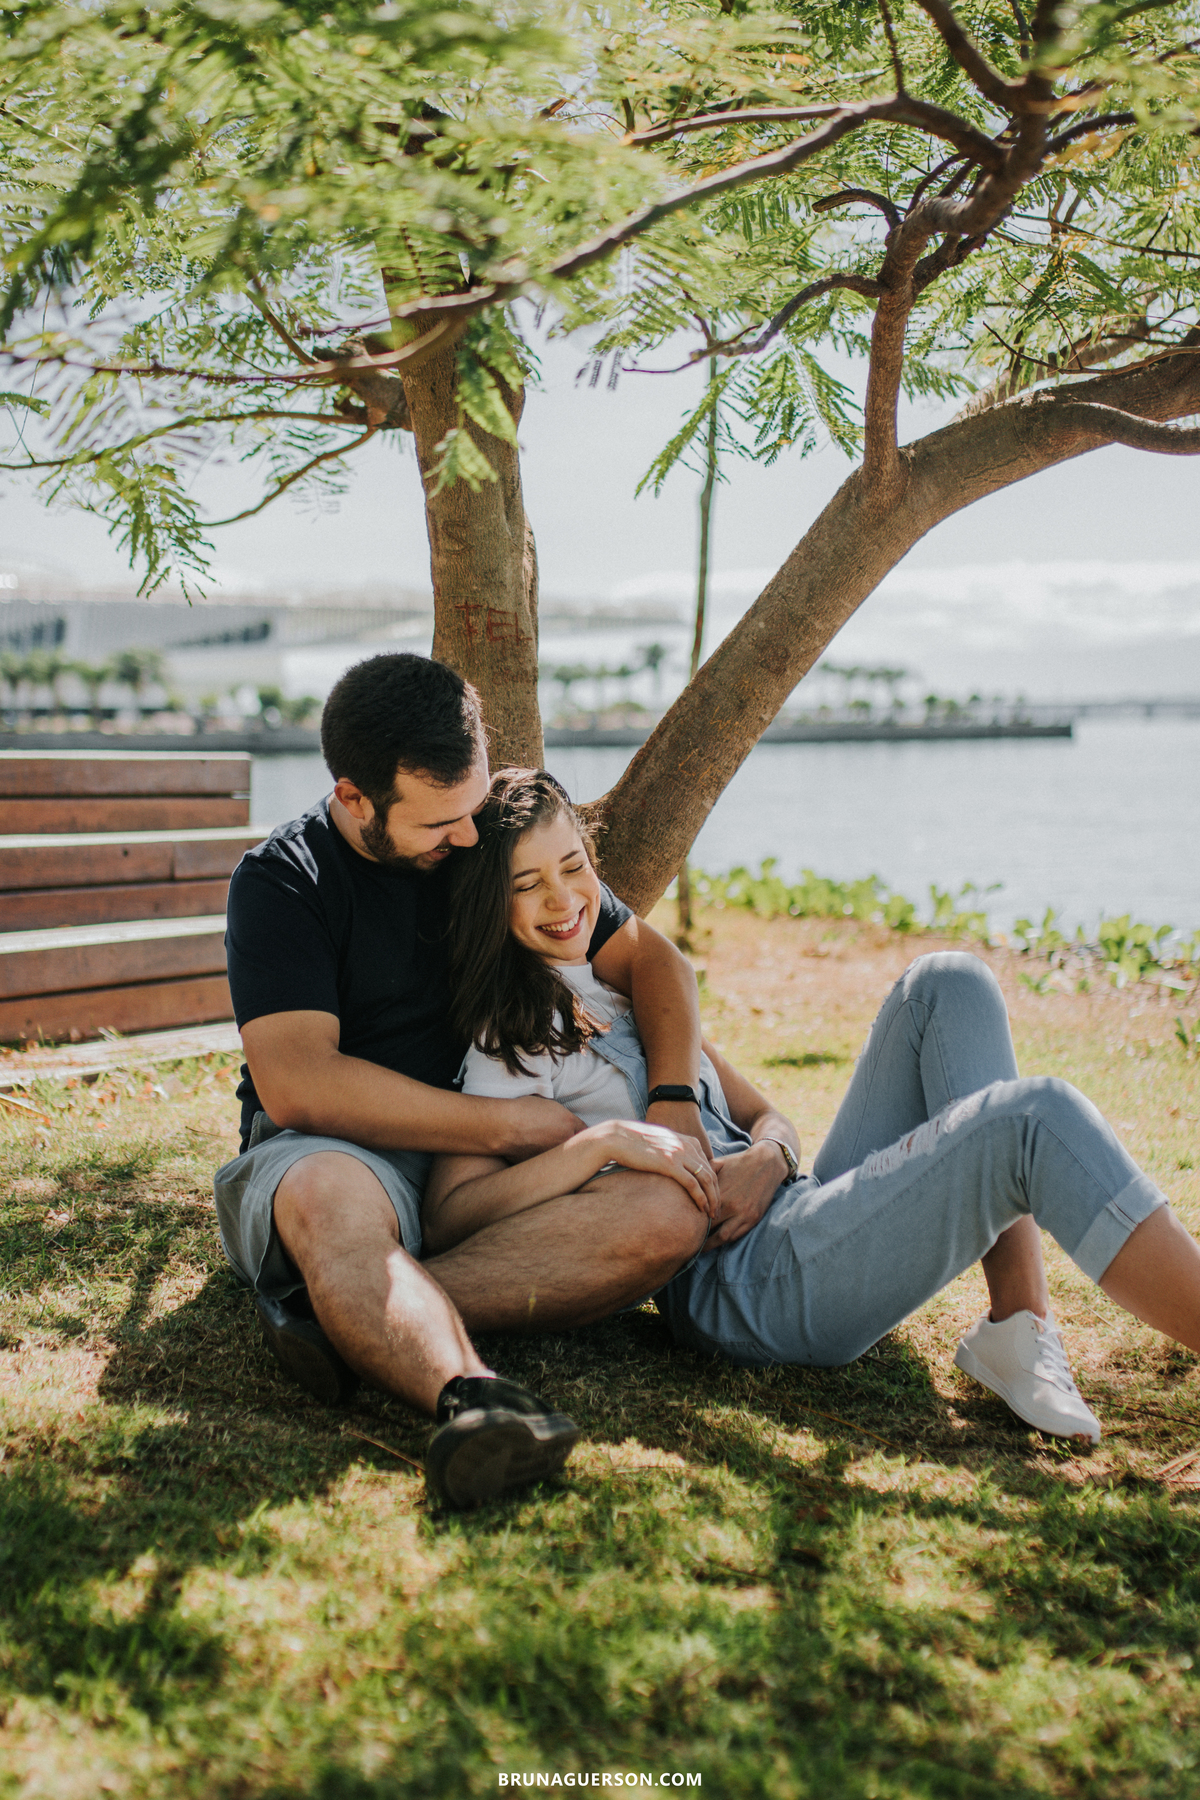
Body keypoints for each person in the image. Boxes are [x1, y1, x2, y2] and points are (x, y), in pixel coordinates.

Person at [431, 767, 1200, 1442]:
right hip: (741, 1282)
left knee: (949, 982)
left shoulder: (618, 981)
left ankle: (1018, 1327)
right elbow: (453, 1212)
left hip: (797, 1205)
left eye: (574, 868)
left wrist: (771, 1157)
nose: (563, 900)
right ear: (489, 903)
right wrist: (596, 1149)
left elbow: (764, 1114)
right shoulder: (511, 1038)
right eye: (527, 886)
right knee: (1032, 1120)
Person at [213, 653, 725, 1510]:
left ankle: (339, 1316)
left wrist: (675, 1100)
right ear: (354, 799)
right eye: (436, 824)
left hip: (486, 1180)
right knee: (330, 1199)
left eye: (472, 808)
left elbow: (655, 965)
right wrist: (503, 1127)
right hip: (342, 1149)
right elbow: (300, 1085)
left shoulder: (479, 832)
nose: (463, 839)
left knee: (669, 1208)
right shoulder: (281, 883)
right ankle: (476, 1401)